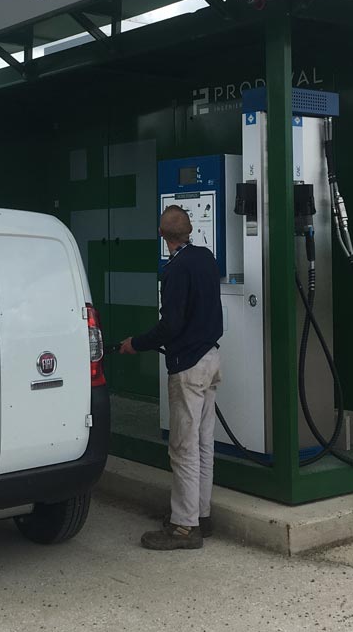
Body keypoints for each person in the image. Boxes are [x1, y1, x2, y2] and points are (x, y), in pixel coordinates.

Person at [119, 205, 222, 551]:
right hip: (211, 359)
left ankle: (183, 527)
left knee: (182, 447)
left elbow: (171, 324)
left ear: (163, 236)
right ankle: (200, 516)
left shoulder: (174, 270)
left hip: (189, 368)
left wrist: (137, 343)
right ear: (190, 231)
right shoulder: (206, 257)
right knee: (204, 444)